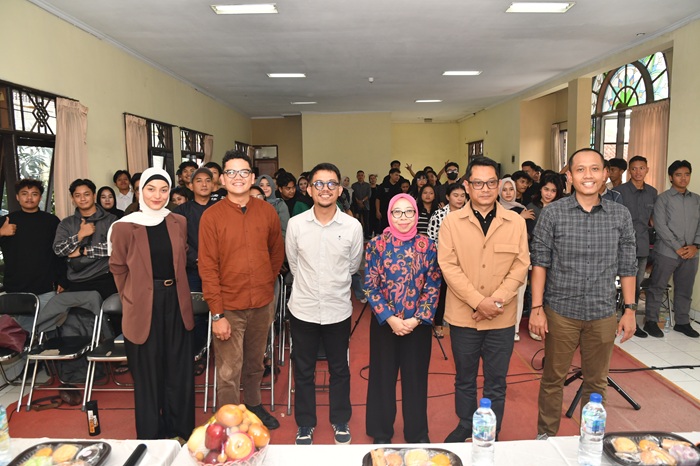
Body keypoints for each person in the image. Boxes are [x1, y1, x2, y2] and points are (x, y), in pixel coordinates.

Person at [529, 148, 637, 439]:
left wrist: (629, 309)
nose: (587, 175)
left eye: (594, 169)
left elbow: (628, 265)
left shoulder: (620, 215)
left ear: (605, 174)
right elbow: (540, 263)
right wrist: (536, 308)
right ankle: (546, 439)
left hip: (602, 313)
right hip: (561, 312)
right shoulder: (553, 213)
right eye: (580, 169)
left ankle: (590, 440)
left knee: (597, 383)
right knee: (553, 379)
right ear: (569, 176)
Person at [438, 157, 530, 443]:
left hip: (501, 318)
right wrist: (479, 302)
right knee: (464, 378)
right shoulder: (451, 222)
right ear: (467, 186)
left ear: (498, 184)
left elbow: (521, 265)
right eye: (478, 183)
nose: (485, 189)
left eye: (491, 182)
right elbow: (448, 266)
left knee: (496, 381)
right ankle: (466, 423)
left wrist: (495, 302)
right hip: (464, 316)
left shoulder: (515, 222)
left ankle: (492, 430)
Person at [198, 150, 285, 430]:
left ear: (252, 177)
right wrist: (217, 314)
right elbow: (207, 268)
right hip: (228, 306)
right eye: (231, 172)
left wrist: (265, 282)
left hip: (261, 302)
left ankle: (254, 405)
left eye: (244, 172)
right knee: (228, 368)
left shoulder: (267, 212)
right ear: (222, 179)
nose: (238, 177)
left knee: (256, 362)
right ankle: (228, 419)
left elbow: (276, 253)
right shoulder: (211, 217)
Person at [108, 167, 194, 440]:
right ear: (140, 191)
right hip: (142, 305)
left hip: (176, 302)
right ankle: (152, 437)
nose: (158, 195)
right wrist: (131, 297)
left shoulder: (178, 221)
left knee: (178, 371)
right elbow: (118, 268)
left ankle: (180, 431)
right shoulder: (124, 226)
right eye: (151, 189)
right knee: (148, 375)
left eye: (164, 190)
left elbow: (182, 260)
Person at [285, 163, 363, 445]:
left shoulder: (353, 226)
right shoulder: (296, 224)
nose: (325, 189)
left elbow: (353, 266)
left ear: (340, 190)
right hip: (303, 308)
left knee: (339, 369)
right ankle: (305, 423)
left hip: (337, 309)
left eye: (331, 184)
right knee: (303, 369)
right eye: (319, 184)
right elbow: (294, 264)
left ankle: (340, 419)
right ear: (309, 189)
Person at [365, 193, 441, 444]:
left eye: (409, 212)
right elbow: (370, 286)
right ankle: (381, 432)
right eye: (397, 212)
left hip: (417, 325)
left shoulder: (427, 245)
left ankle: (417, 433)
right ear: (389, 214)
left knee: (416, 379)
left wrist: (417, 319)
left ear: (416, 214)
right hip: (385, 323)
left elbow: (433, 284)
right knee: (382, 377)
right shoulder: (376, 244)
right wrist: (390, 318)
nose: (403, 217)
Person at [643, 160, 700, 338]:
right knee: (657, 287)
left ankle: (682, 322)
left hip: (691, 253)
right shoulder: (663, 199)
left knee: (685, 289)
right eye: (678, 175)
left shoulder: (697, 199)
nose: (683, 178)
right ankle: (651, 321)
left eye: (687, 174)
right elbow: (660, 226)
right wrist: (677, 247)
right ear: (671, 177)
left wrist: (696, 246)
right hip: (667, 252)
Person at [0, 179, 65, 317]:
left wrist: (63, 279)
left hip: (46, 288)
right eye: (24, 194)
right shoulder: (6, 221)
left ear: (40, 197)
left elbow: (60, 253)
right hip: (15, 289)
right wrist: (1, 232)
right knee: (17, 329)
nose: (29, 198)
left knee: (47, 326)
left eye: (34, 194)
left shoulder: (52, 221)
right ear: (17, 197)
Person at [613, 155, 657, 338]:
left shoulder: (652, 192)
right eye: (634, 168)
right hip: (619, 245)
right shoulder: (618, 191)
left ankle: (630, 320)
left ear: (647, 169)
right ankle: (608, 320)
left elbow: (652, 219)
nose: (638, 172)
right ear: (629, 171)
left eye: (642, 168)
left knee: (635, 286)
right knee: (611, 283)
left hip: (642, 245)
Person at [53, 179, 118, 300]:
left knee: (108, 312)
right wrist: (79, 236)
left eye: (86, 194)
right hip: (76, 282)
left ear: (94, 195)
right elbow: (58, 250)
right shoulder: (66, 223)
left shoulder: (111, 220)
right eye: (78, 195)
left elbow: (115, 248)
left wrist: (83, 251)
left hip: (104, 279)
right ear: (72, 198)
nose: (82, 198)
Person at [427, 183, 467, 338]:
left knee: (462, 293)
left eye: (462, 196)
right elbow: (432, 239)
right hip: (443, 261)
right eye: (455, 195)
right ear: (447, 197)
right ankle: (438, 324)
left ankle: (461, 325)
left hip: (465, 261)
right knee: (442, 293)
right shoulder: (439, 215)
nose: (459, 199)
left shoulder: (470, 214)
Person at [498, 178, 535, 342]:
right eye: (504, 189)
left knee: (519, 295)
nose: (508, 193)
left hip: (520, 256)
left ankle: (515, 329)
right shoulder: (495, 209)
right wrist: (520, 218)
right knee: (502, 294)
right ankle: (500, 327)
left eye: (511, 189)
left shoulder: (522, 208)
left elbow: (527, 235)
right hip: (500, 258)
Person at [525, 173, 564, 240]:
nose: (549, 194)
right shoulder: (531, 207)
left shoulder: (560, 208)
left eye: (553, 191)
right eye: (546, 189)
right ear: (540, 188)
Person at [256, 175, 290, 239]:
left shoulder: (279, 204)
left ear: (272, 186)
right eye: (261, 185)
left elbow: (285, 230)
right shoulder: (253, 204)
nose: (265, 188)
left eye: (268, 185)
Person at [351, 170, 371, 239]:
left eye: (362, 175)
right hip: (357, 206)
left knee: (366, 221)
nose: (360, 177)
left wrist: (362, 201)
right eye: (359, 175)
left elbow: (369, 195)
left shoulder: (367, 185)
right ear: (357, 176)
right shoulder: (353, 185)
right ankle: (358, 236)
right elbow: (353, 195)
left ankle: (367, 235)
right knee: (357, 222)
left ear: (364, 176)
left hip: (366, 205)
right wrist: (358, 202)